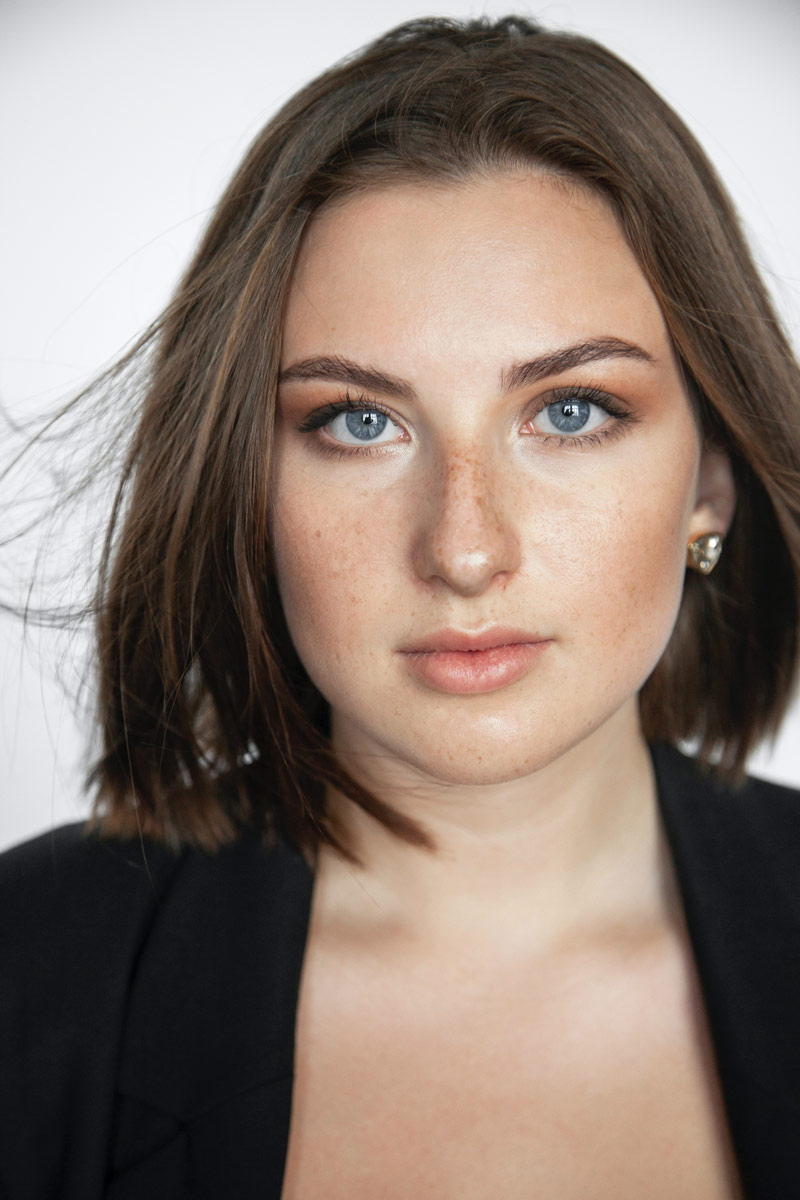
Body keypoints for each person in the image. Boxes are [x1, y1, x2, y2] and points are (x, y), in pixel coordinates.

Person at [1, 14, 799, 1199]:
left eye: (570, 411)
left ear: (711, 481)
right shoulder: (29, 973)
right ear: (248, 487)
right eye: (357, 422)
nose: (464, 550)